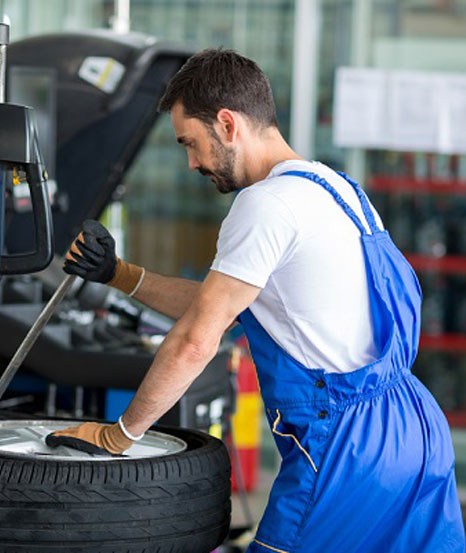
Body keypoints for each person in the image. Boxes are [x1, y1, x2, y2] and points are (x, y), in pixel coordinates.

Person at [53, 48, 465, 552]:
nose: (191, 163)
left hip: (345, 449)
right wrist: (118, 274)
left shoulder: (264, 204)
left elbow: (197, 339)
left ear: (227, 124)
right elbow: (221, 305)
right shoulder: (337, 189)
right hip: (414, 428)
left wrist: (120, 436)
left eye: (191, 143)